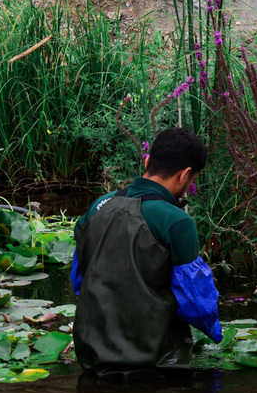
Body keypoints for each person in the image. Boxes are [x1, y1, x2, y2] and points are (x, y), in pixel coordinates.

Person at [71, 127, 221, 376]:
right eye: (192, 179)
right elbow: (195, 302)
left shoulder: (97, 207)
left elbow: (80, 281)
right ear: (185, 175)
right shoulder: (176, 221)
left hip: (93, 358)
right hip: (154, 363)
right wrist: (216, 332)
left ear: (147, 161)